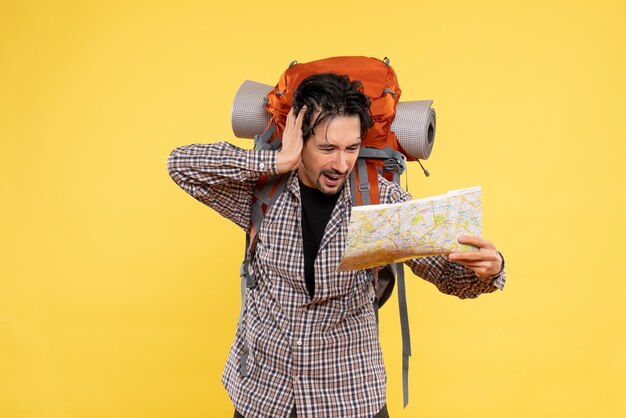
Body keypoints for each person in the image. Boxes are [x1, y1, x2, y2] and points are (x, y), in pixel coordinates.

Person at [167, 73, 505, 418]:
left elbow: (448, 277)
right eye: (327, 148)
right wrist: (275, 162)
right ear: (298, 139)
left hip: (348, 398)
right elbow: (180, 165)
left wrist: (487, 270)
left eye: (351, 148)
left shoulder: (378, 200)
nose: (341, 164)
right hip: (265, 395)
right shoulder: (263, 191)